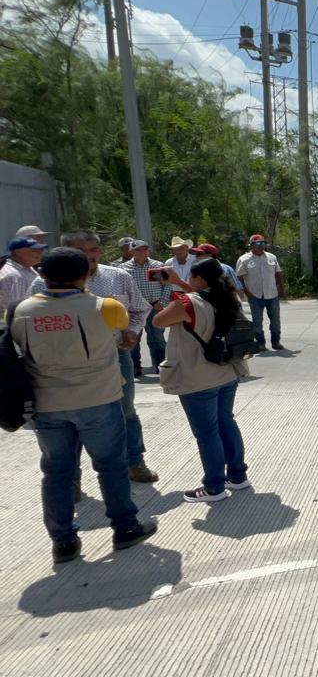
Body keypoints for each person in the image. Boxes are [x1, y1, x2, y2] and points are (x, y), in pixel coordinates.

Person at [10, 247, 158, 564]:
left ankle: (63, 542)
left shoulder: (20, 311)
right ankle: (124, 528)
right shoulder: (107, 307)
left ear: (42, 275)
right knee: (111, 466)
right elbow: (124, 327)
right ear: (84, 275)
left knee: (56, 473)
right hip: (98, 400)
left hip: (48, 404)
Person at [29, 230, 157, 483]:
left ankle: (135, 462)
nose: (89, 256)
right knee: (68, 420)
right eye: (81, 251)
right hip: (61, 365)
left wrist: (131, 332)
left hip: (114, 358)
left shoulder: (118, 277)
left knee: (125, 411)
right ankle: (71, 479)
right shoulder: (41, 284)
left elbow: (140, 309)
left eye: (93, 250)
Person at [152, 258, 252, 503]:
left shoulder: (186, 303)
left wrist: (172, 286)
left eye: (190, 277)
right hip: (227, 372)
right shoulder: (228, 298)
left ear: (198, 279)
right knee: (226, 422)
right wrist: (178, 283)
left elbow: (158, 321)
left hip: (198, 378)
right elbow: (202, 299)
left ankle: (214, 487)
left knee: (207, 433)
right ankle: (237, 476)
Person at [119, 240, 172, 377]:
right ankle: (135, 367)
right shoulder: (124, 269)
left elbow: (166, 285)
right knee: (133, 338)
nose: (143, 252)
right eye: (139, 250)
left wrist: (163, 301)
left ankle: (161, 365)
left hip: (155, 306)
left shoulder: (157, 266)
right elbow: (122, 289)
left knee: (157, 338)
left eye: (145, 249)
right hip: (134, 309)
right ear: (131, 252)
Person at [236, 235, 286, 351]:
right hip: (255, 295)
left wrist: (281, 290)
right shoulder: (244, 259)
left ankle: (276, 341)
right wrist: (247, 293)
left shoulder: (271, 257)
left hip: (272, 294)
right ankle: (260, 343)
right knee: (257, 321)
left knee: (275, 320)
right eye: (258, 244)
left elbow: (278, 274)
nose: (261, 246)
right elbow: (239, 278)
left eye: (263, 243)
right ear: (251, 245)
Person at [1, 236, 47, 317]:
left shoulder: (26, 268)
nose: (40, 253)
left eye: (40, 250)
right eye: (34, 250)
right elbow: (16, 310)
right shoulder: (15, 276)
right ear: (19, 252)